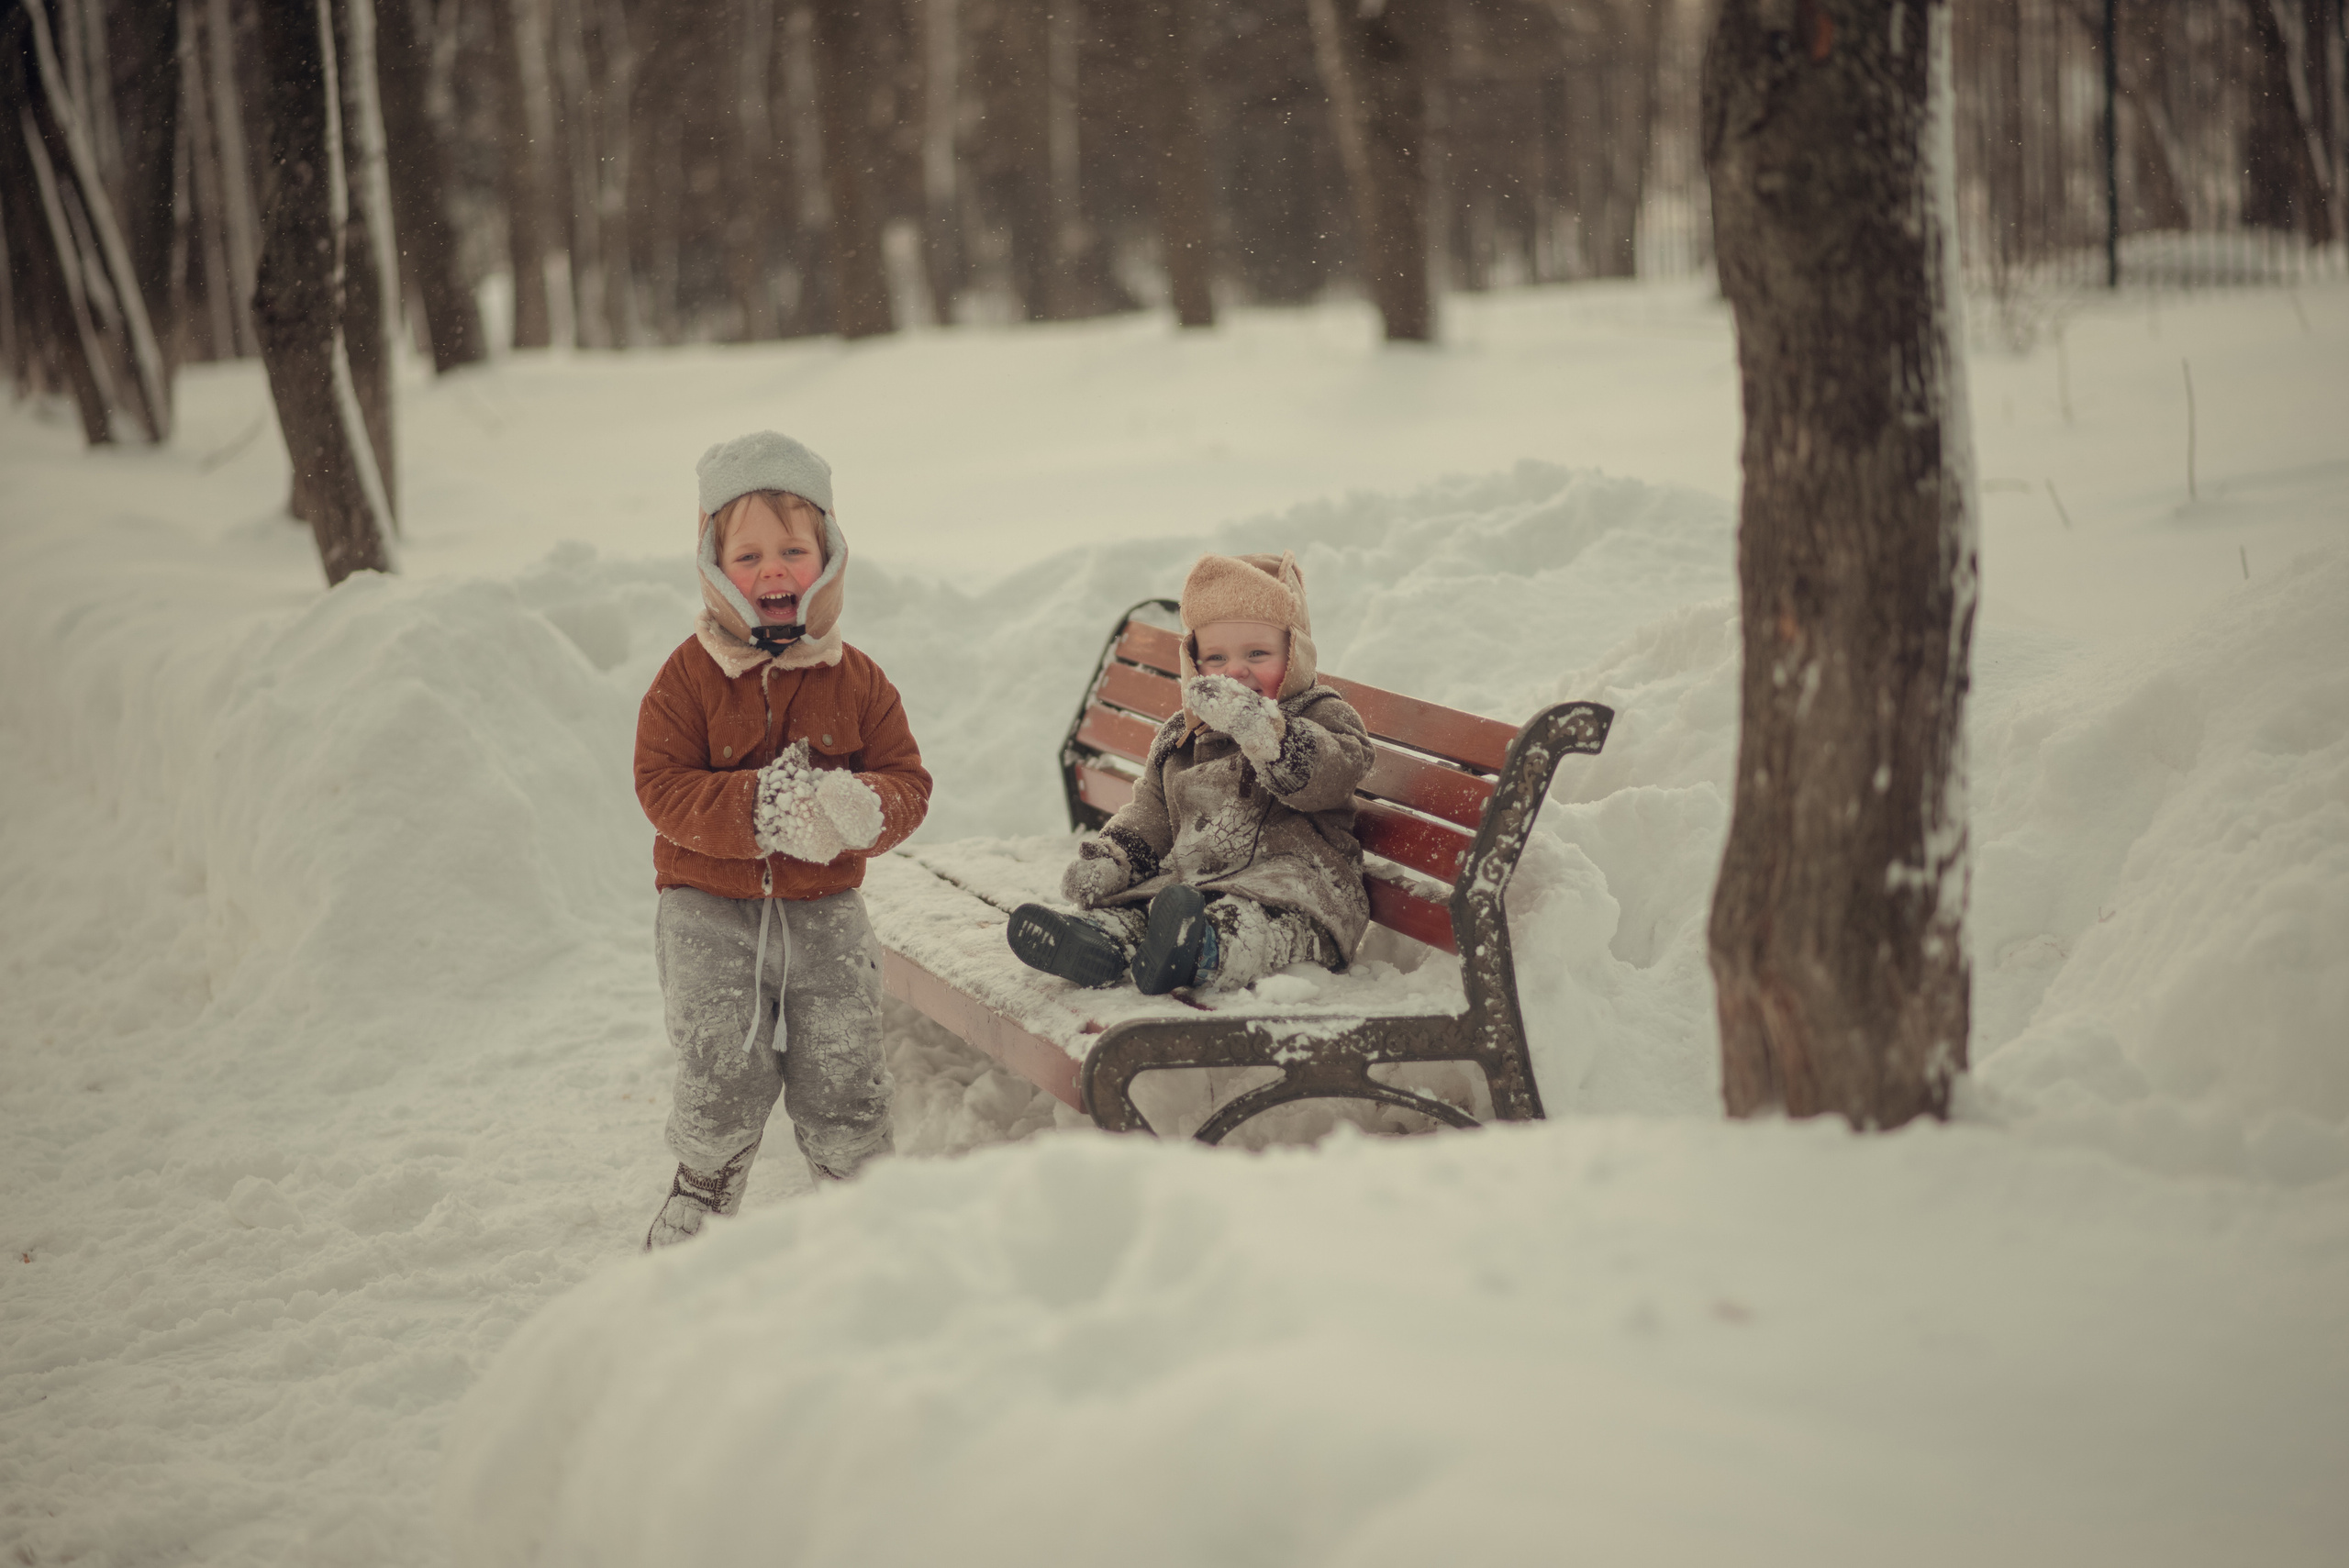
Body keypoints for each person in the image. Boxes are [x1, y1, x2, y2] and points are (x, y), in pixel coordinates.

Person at [634, 431, 930, 1250]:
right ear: (714, 566)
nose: (773, 570)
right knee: (722, 1065)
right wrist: (761, 811)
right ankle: (704, 1184)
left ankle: (861, 1195)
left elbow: (908, 778)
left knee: (844, 1062)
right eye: (749, 554)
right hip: (706, 913)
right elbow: (661, 787)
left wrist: (865, 805)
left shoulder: (858, 678)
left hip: (826, 912)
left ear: (828, 557)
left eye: (793, 550)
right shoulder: (685, 679)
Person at [1007, 550, 1373, 996]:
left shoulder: (1321, 714)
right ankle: (1099, 941)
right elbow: (1151, 811)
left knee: (1247, 925)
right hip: (1192, 889)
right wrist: (1114, 857)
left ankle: (1202, 952)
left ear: (1296, 652)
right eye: (1216, 659)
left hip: (1301, 891)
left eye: (1258, 653)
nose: (1236, 671)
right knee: (1142, 909)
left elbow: (1334, 774)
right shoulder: (1183, 737)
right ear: (1193, 665)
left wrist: (1268, 734)